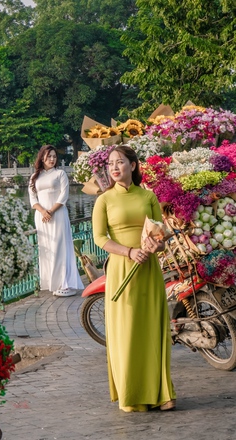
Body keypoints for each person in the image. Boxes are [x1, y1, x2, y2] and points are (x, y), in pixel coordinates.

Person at [92, 145, 176, 412]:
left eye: (120, 162)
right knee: (127, 332)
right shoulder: (104, 200)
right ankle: (133, 394)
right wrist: (129, 251)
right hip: (121, 270)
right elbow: (99, 238)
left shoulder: (148, 196)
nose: (114, 168)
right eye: (110, 164)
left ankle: (162, 393)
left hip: (148, 271)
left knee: (152, 330)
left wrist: (155, 246)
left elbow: (160, 235)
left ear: (134, 165)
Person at [28, 145, 84, 297]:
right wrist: (43, 212)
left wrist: (51, 211)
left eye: (54, 156)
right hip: (42, 218)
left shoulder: (60, 174)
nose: (52, 159)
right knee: (47, 248)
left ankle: (66, 284)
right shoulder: (34, 177)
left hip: (58, 215)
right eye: (49, 156)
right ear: (42, 158)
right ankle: (51, 283)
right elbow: (33, 199)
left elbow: (63, 197)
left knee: (60, 247)